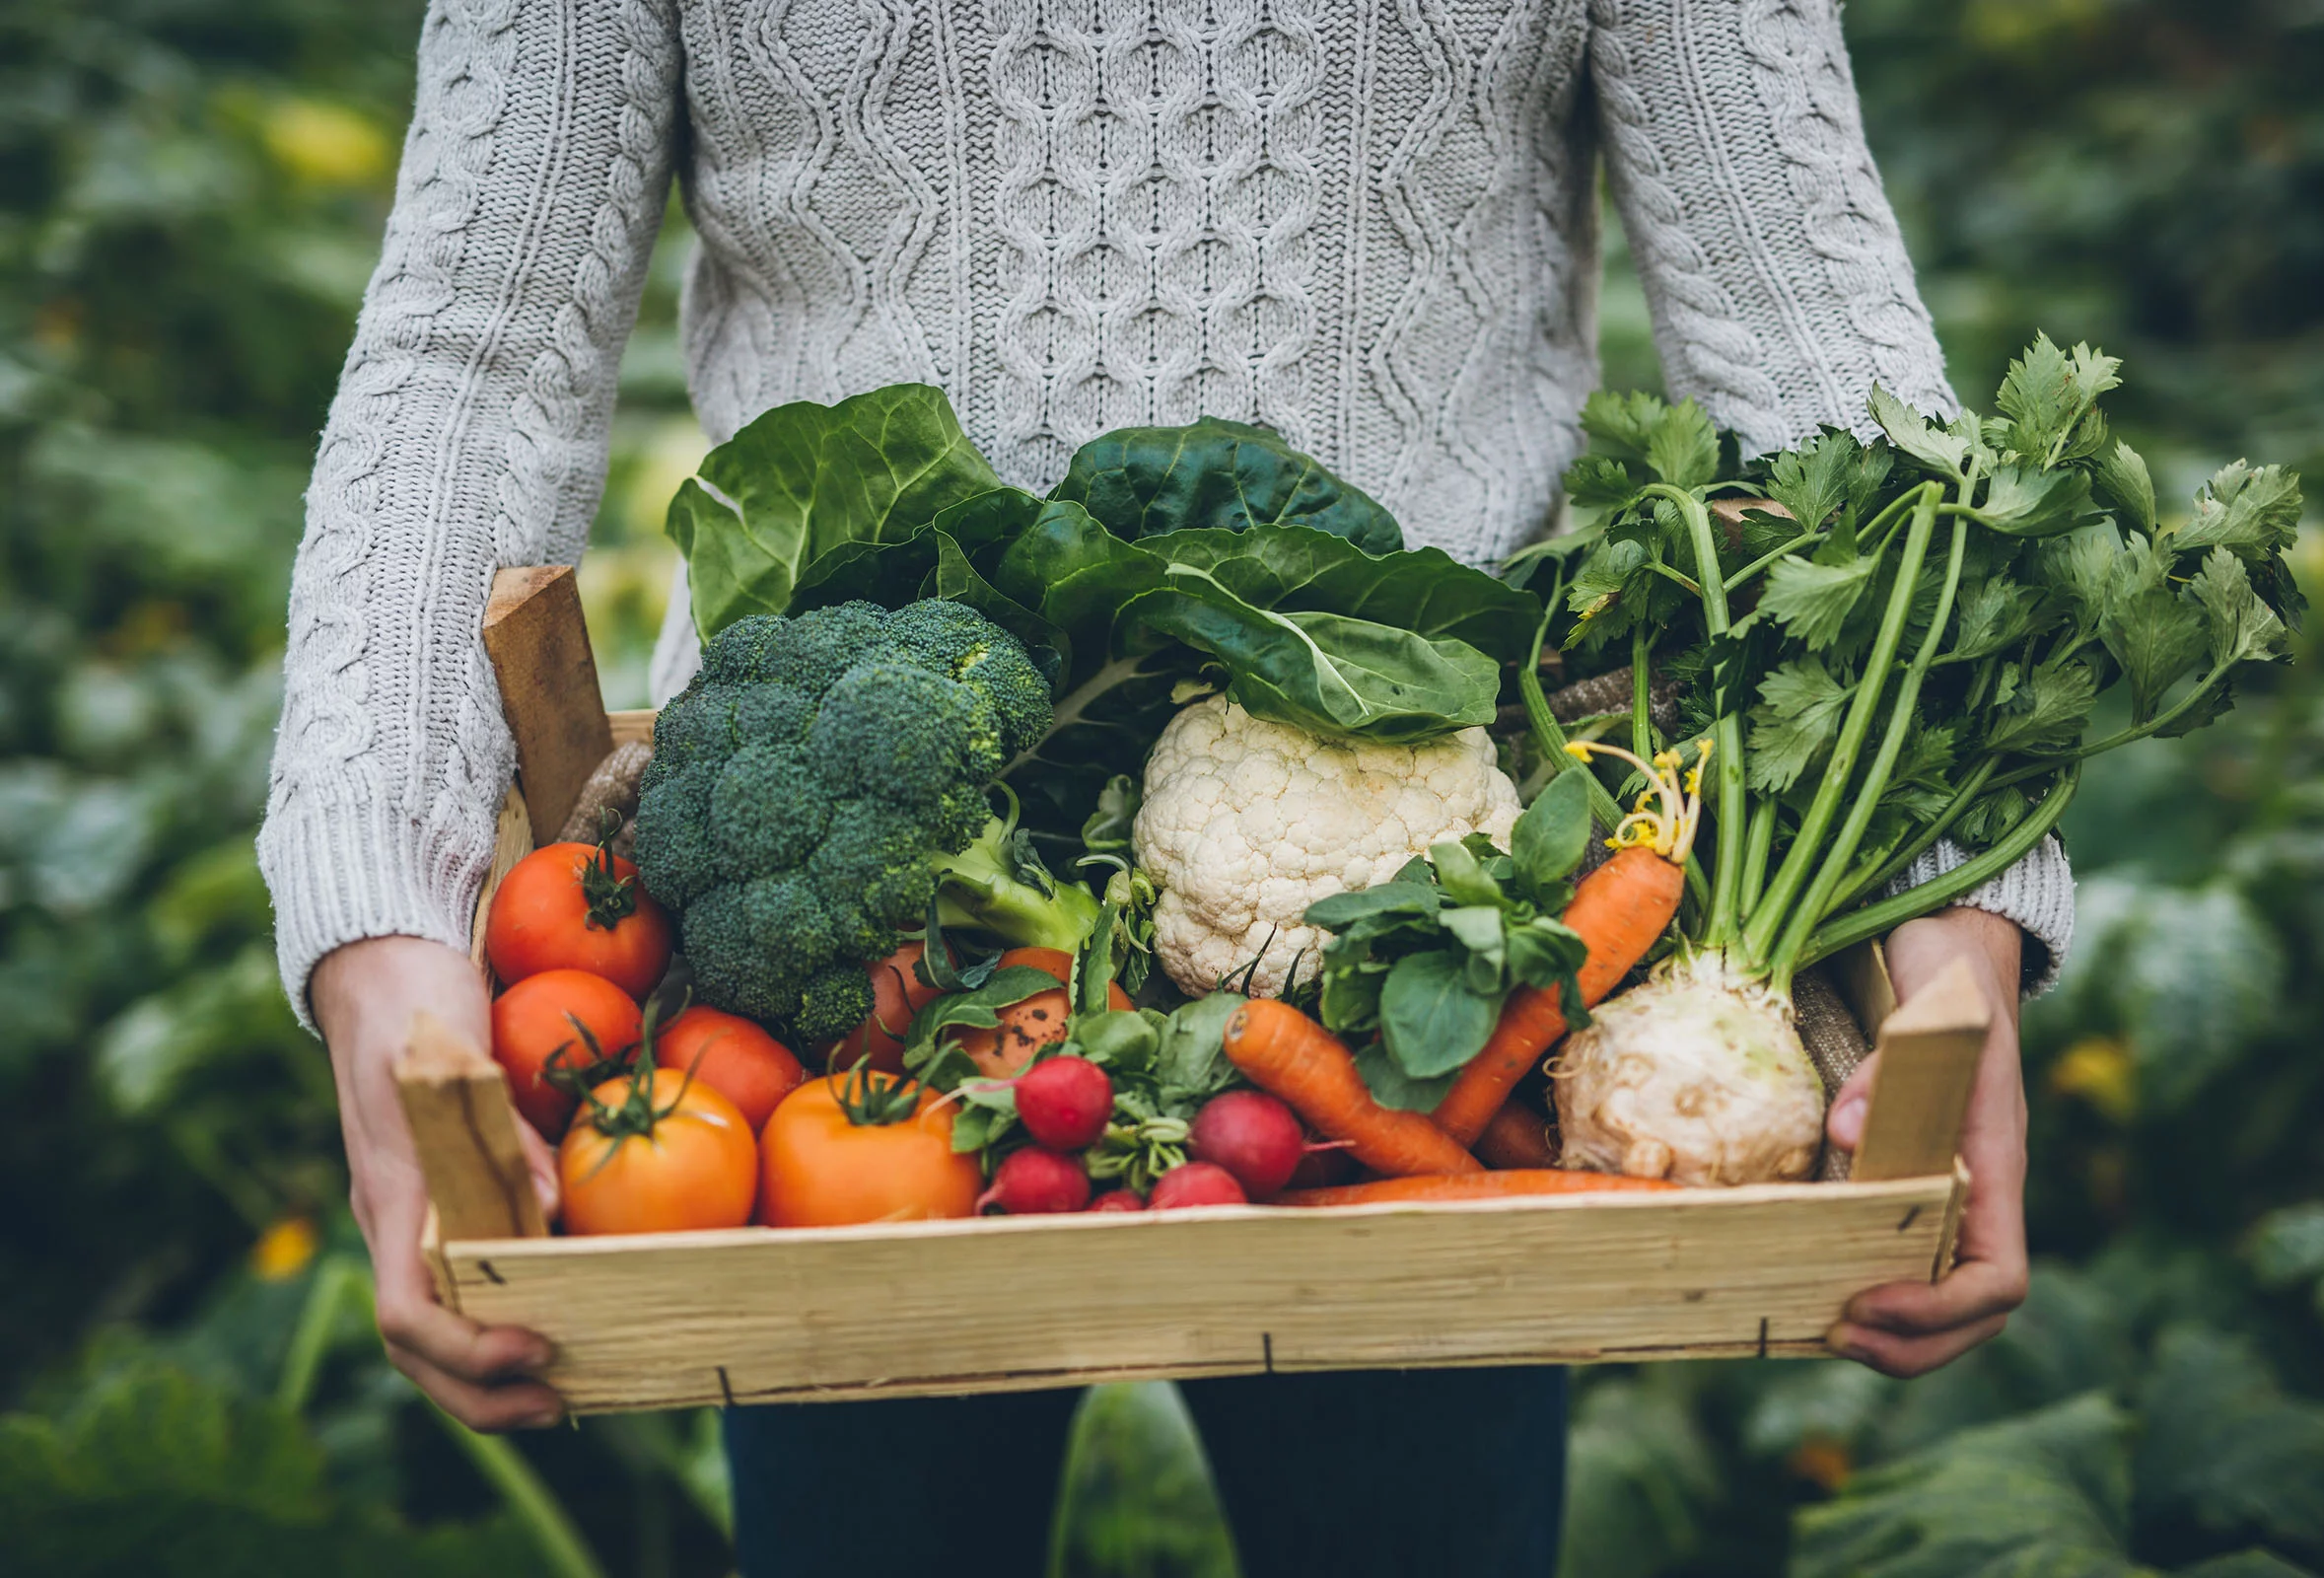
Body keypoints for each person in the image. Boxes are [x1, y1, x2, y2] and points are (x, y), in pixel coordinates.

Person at [265, 3, 2074, 1573]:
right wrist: (378, 912)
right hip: (846, 970)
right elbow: (469, 351)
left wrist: (1954, 909)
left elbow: (1803, 310)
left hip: (1437, 974)